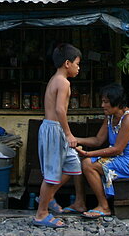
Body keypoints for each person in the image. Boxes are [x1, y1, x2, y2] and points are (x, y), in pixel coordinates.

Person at [74, 83, 129, 219]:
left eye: (106, 102)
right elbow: (98, 140)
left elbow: (117, 149)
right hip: (119, 158)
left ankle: (104, 206)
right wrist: (75, 139)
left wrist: (88, 154)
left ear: (117, 102)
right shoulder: (110, 117)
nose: (103, 105)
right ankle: (80, 202)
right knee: (82, 162)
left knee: (88, 164)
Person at [32, 43, 83, 228]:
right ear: (67, 63)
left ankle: (49, 197)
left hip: (56, 129)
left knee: (73, 166)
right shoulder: (63, 82)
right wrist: (68, 134)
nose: (79, 68)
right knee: (52, 174)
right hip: (54, 129)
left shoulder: (56, 79)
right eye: (77, 63)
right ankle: (41, 214)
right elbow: (60, 110)